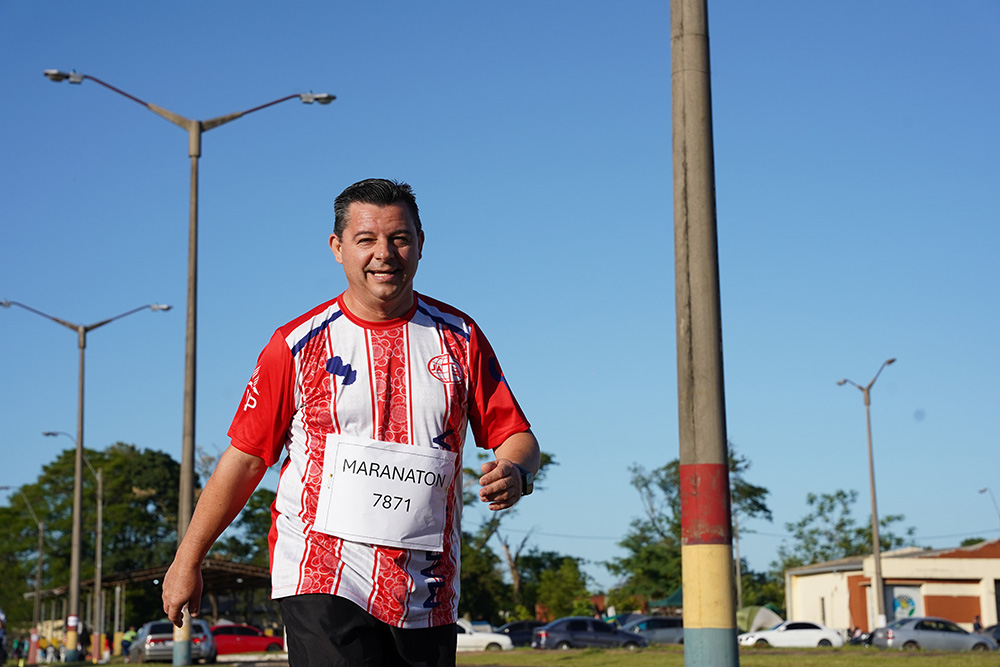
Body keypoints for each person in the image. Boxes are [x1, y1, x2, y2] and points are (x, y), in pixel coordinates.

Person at [162, 178, 540, 667]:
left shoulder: (461, 338)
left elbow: (516, 436)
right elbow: (247, 458)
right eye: (366, 239)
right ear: (337, 248)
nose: (384, 254)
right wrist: (188, 558)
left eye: (399, 238)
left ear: (421, 244)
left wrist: (517, 471)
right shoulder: (296, 345)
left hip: (426, 588)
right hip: (321, 573)